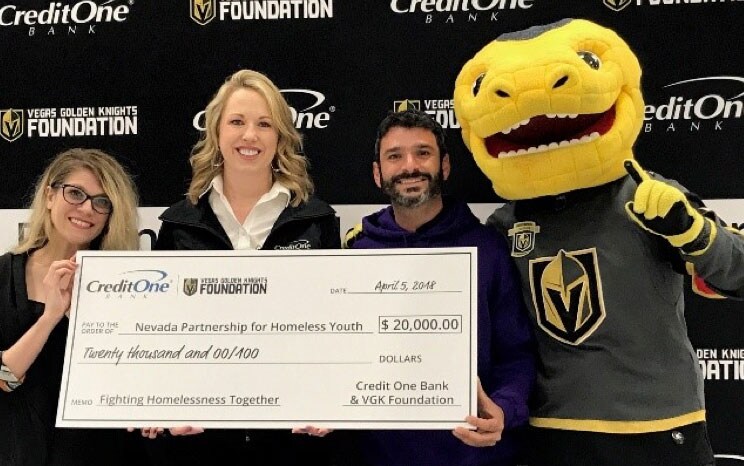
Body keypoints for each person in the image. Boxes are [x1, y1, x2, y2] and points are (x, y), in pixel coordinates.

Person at [452, 18, 744, 466]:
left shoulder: (648, 195)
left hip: (660, 429)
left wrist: (693, 231)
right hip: (553, 434)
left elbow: (735, 272)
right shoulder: (506, 224)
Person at [144, 69, 341, 466]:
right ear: (216, 132)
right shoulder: (179, 224)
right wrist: (158, 399)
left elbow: (336, 324)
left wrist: (330, 399)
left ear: (280, 136)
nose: (250, 136)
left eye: (264, 124)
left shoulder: (317, 221)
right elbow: (161, 331)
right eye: (237, 122)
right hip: (202, 437)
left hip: (292, 436)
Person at [344, 109, 536, 466]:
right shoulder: (356, 252)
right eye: (394, 156)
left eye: (423, 153)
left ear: (444, 166)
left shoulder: (487, 248)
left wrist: (504, 409)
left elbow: (516, 353)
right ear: (377, 173)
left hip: (471, 455)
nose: (409, 166)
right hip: (377, 455)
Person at [0, 148, 142, 466]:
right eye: (75, 193)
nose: (87, 208)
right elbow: (2, 379)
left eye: (101, 202)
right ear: (50, 195)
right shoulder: (4, 275)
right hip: (22, 452)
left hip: (107, 453)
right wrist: (50, 317)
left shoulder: (128, 284)